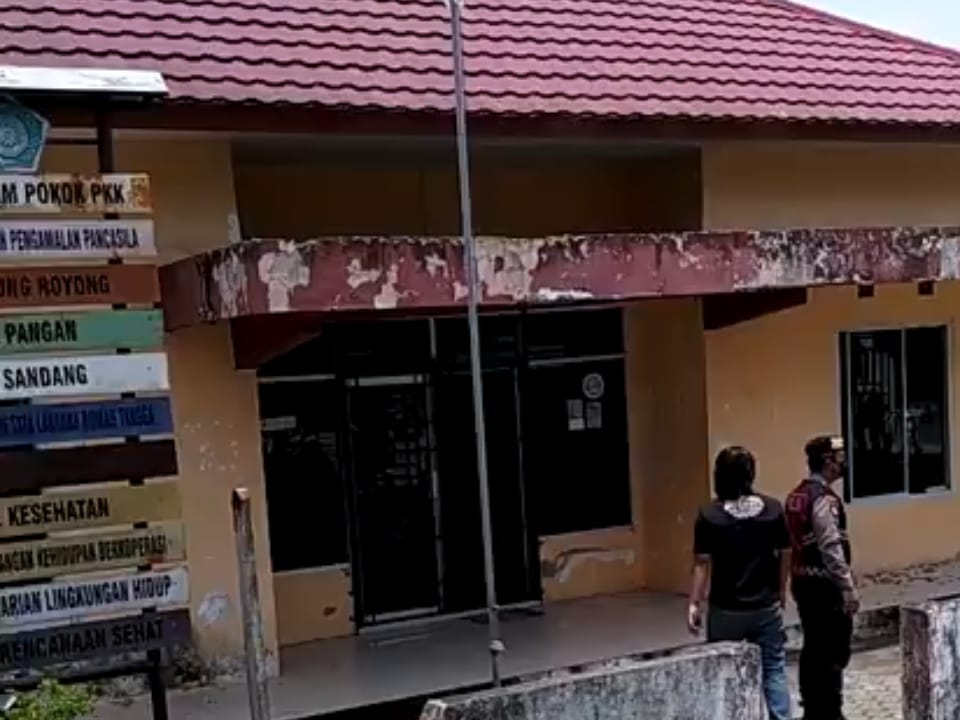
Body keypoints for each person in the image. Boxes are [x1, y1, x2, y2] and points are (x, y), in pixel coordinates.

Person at [689, 446, 792, 720]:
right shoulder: (772, 509)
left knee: (724, 671)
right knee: (774, 668)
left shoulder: (709, 515)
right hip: (765, 606)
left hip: (726, 608)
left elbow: (701, 563)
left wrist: (694, 603)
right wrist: (781, 588)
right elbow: (785, 552)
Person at [785, 435, 859, 720]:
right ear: (828, 461)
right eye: (840, 457)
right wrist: (847, 586)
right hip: (824, 586)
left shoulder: (797, 495)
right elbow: (831, 547)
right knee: (831, 650)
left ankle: (813, 708)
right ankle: (829, 711)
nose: (844, 463)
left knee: (813, 646)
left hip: (803, 581)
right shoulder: (823, 500)